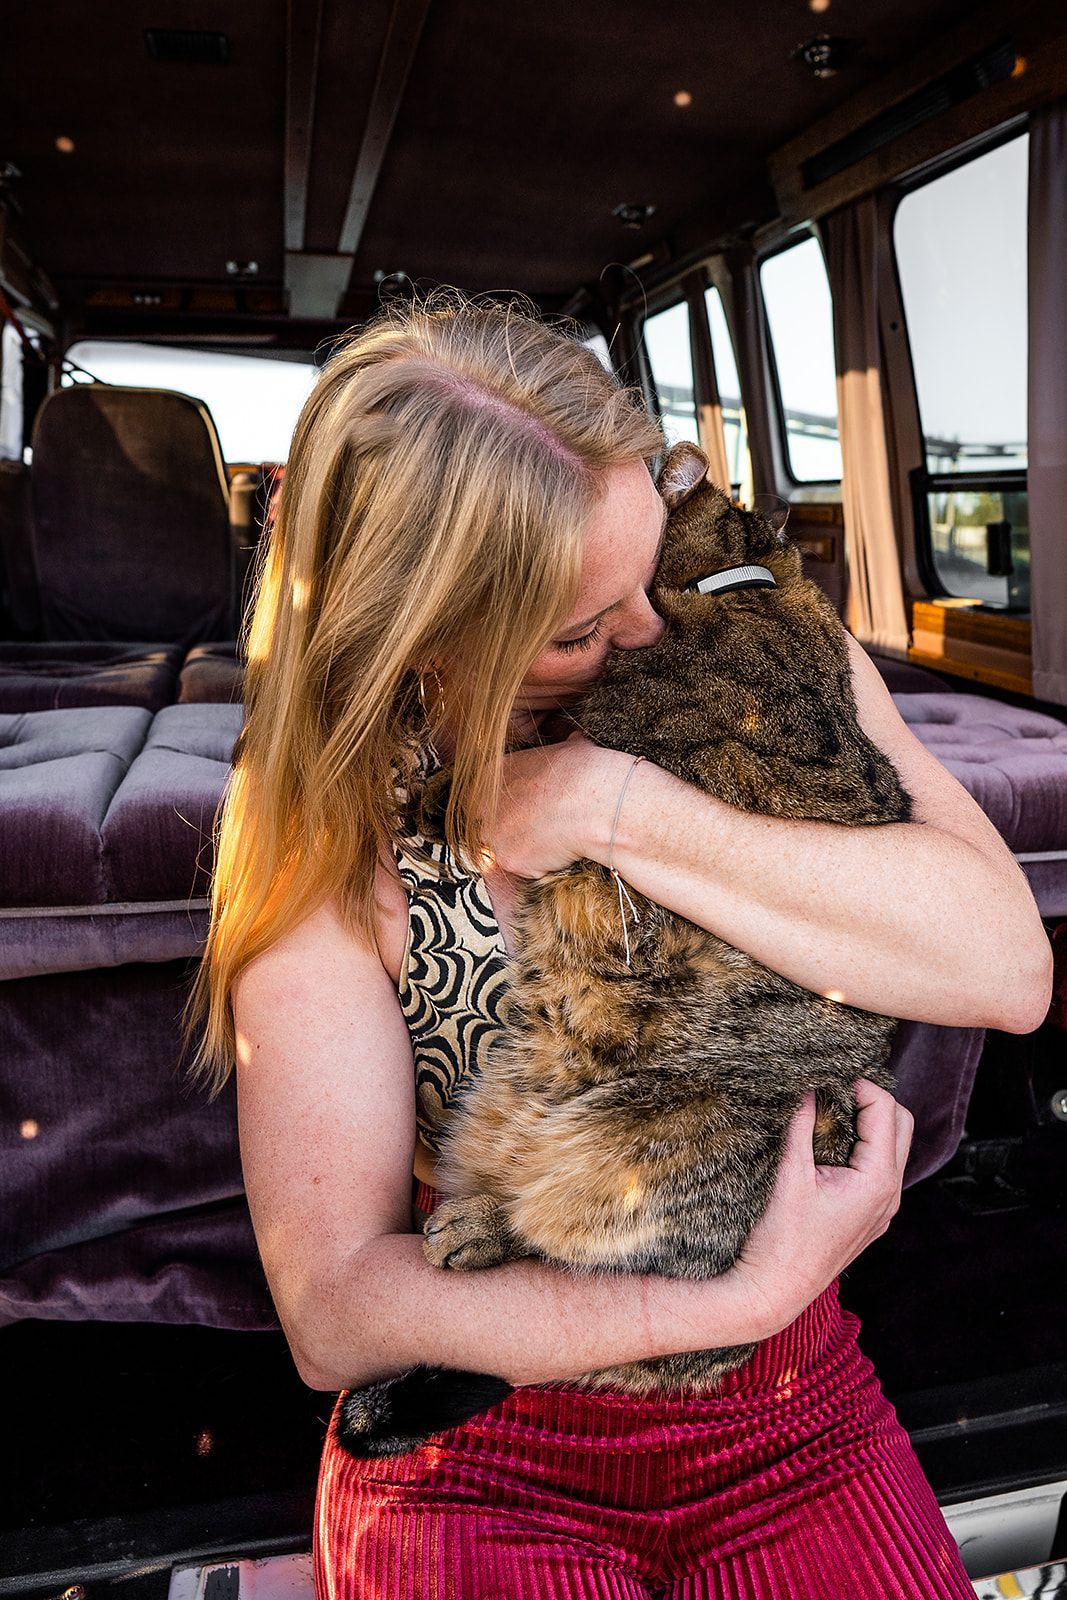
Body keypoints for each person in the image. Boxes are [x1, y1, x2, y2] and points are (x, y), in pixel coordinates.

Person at [190, 290, 1051, 1599]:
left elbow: (1008, 968)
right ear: (421, 643)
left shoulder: (761, 651)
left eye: (650, 569)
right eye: (582, 629)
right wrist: (719, 1307)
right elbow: (339, 1311)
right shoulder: (325, 826)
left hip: (800, 1416)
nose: (651, 630)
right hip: (479, 1447)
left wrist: (622, 809)